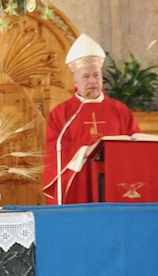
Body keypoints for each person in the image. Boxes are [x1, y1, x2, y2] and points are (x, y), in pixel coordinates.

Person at [43, 34, 141, 204]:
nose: (92, 81)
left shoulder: (119, 110)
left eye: (96, 75)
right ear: (75, 81)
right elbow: (54, 149)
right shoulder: (62, 113)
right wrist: (85, 151)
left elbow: (135, 143)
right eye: (86, 76)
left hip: (114, 179)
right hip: (78, 182)